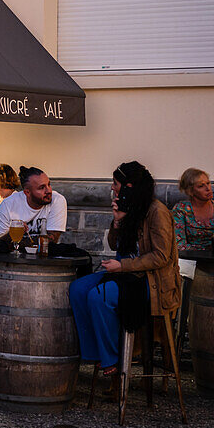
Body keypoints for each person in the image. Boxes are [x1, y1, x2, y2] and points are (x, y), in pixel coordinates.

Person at [69, 161, 180, 376]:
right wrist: (117, 222)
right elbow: (114, 245)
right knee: (78, 289)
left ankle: (112, 358)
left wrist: (122, 266)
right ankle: (95, 353)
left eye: (115, 183)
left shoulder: (157, 212)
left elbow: (161, 256)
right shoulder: (128, 206)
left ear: (129, 186)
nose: (112, 187)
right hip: (126, 275)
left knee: (98, 297)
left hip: (151, 283)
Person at [172, 167, 214, 279]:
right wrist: (208, 252)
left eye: (208, 183)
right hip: (190, 263)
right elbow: (179, 245)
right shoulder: (181, 210)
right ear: (190, 191)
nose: (208, 188)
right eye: (201, 186)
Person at [0, 166, 67, 243]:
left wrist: (16, 241)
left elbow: (51, 240)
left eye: (49, 185)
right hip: (13, 254)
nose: (48, 190)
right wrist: (11, 234)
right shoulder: (8, 204)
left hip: (43, 254)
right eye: (42, 187)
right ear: (27, 192)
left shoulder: (57, 200)